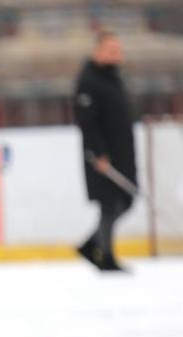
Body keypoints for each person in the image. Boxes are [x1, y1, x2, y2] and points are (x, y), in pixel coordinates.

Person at [73, 31, 136, 271]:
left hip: (122, 152)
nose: (116, 55)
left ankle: (91, 246)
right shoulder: (89, 81)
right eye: (110, 50)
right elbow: (87, 121)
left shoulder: (114, 79)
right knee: (110, 203)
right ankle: (105, 255)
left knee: (125, 199)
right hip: (102, 155)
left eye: (118, 50)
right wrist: (96, 153)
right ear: (97, 51)